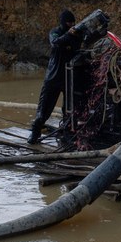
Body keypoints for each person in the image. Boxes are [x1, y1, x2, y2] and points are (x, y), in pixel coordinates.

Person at [28, 9, 83, 144]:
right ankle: (35, 133)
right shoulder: (55, 32)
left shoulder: (76, 35)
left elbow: (80, 46)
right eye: (69, 22)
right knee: (44, 109)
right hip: (53, 77)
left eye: (73, 22)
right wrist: (69, 35)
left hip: (69, 77)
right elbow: (55, 43)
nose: (71, 25)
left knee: (69, 110)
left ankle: (67, 134)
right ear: (63, 22)